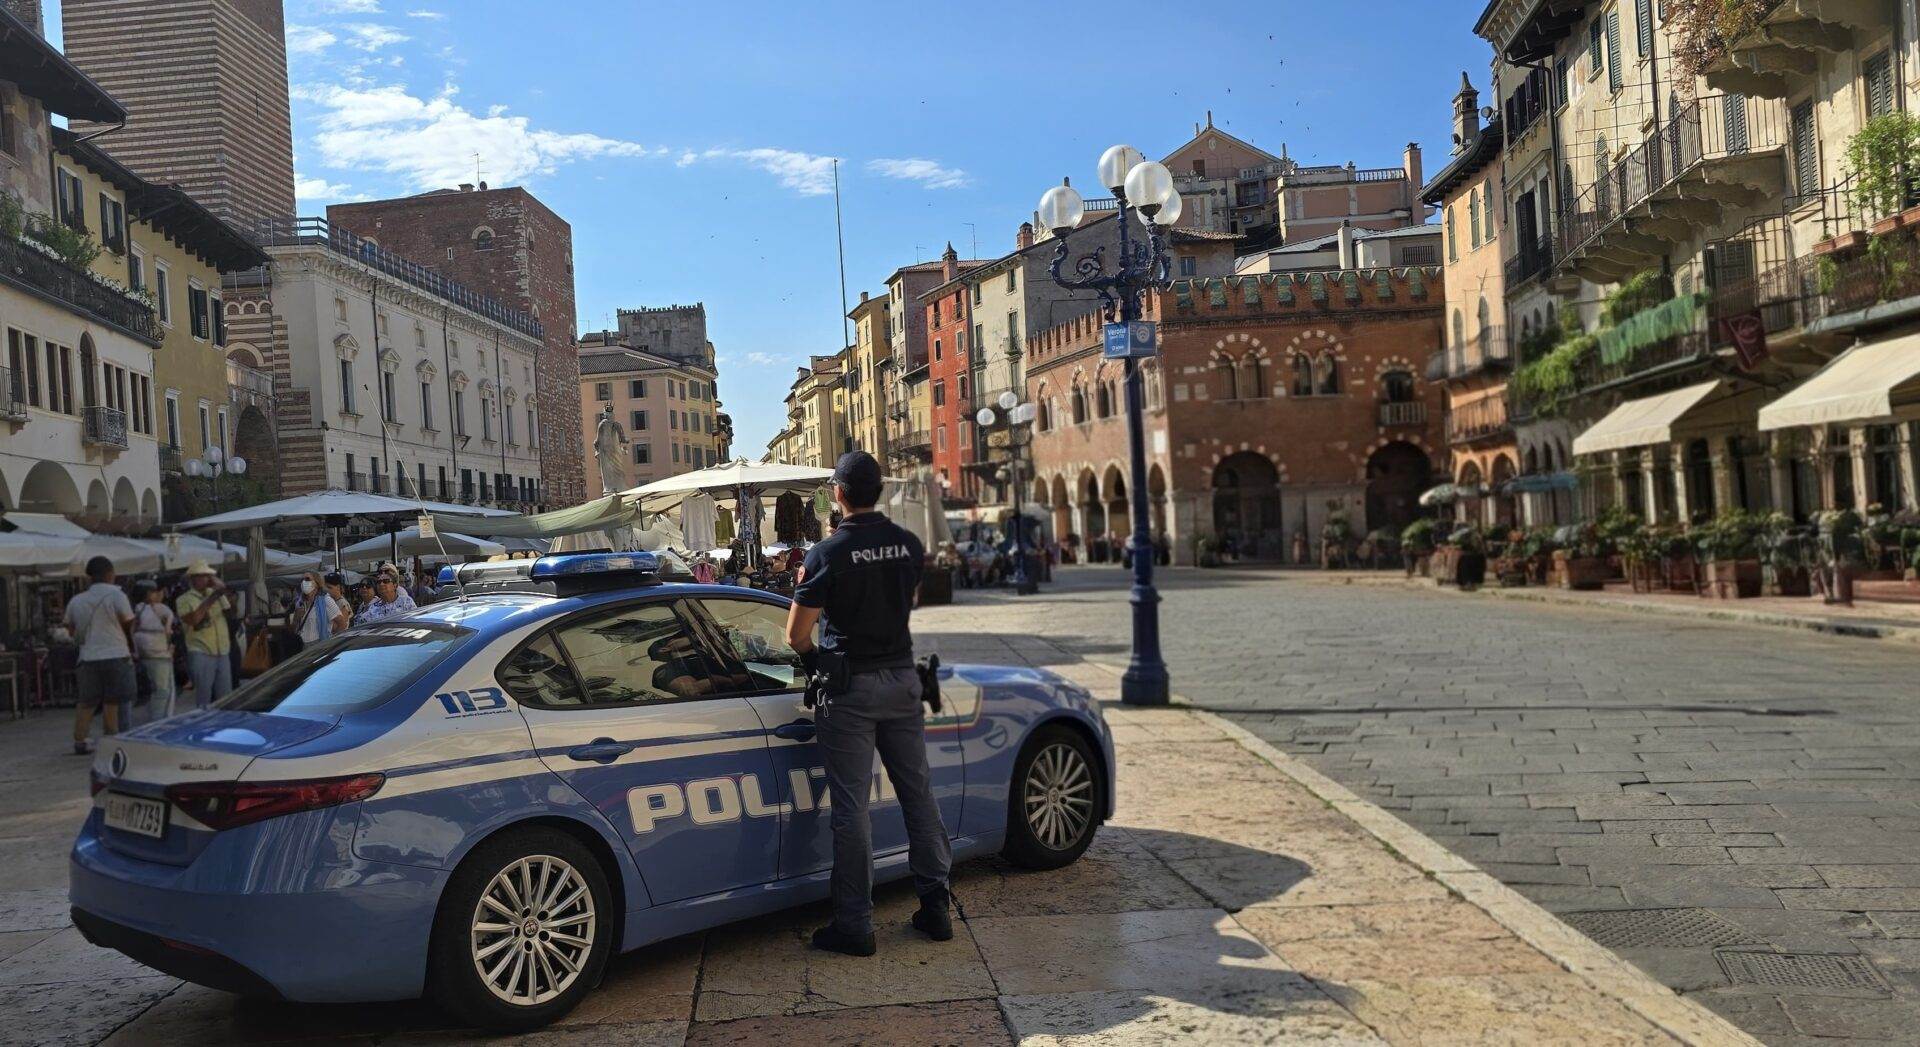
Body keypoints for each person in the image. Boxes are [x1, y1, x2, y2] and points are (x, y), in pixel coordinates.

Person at [785, 451, 949, 958]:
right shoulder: (908, 544)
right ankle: (936, 908)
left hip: (851, 688)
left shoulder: (827, 553)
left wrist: (820, 654)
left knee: (852, 810)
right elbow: (907, 602)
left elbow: (795, 635)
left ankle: (856, 925)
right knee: (917, 794)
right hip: (903, 679)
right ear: (879, 492)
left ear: (838, 493)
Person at [65, 556, 136, 753]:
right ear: (110, 574)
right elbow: (128, 623)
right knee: (112, 700)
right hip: (115, 654)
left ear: (90, 577)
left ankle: (80, 741)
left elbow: (70, 630)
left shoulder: (76, 600)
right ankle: (111, 738)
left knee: (86, 702)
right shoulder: (117, 596)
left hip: (88, 657)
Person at [176, 561, 233, 708]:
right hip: (201, 651)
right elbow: (193, 619)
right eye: (203, 576)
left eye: (208, 577)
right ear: (193, 579)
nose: (207, 580)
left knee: (226, 696)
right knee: (204, 696)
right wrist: (214, 596)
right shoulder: (184, 599)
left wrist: (222, 591)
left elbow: (230, 613)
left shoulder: (215, 594)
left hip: (222, 650)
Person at [131, 582, 178, 722]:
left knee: (154, 688)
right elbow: (168, 631)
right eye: (156, 591)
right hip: (159, 654)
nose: (160, 594)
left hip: (143, 654)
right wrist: (170, 647)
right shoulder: (161, 609)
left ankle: (155, 718)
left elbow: (132, 631)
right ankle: (159, 721)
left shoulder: (136, 609)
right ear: (149, 594)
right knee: (163, 690)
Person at [291, 571, 344, 649]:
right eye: (302, 579)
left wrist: (330, 640)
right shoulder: (300, 602)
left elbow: (342, 624)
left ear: (317, 583)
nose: (304, 582)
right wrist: (296, 618)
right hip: (302, 645)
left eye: (307, 579)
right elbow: (293, 629)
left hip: (319, 645)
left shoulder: (325, 600)